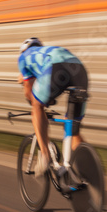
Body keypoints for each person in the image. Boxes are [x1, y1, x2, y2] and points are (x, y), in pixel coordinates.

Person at [17, 37, 88, 177]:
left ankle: (45, 156)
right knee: (72, 126)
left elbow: (29, 92)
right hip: (80, 69)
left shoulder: (23, 57)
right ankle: (87, 171)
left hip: (55, 67)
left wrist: (36, 102)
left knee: (36, 107)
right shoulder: (47, 51)